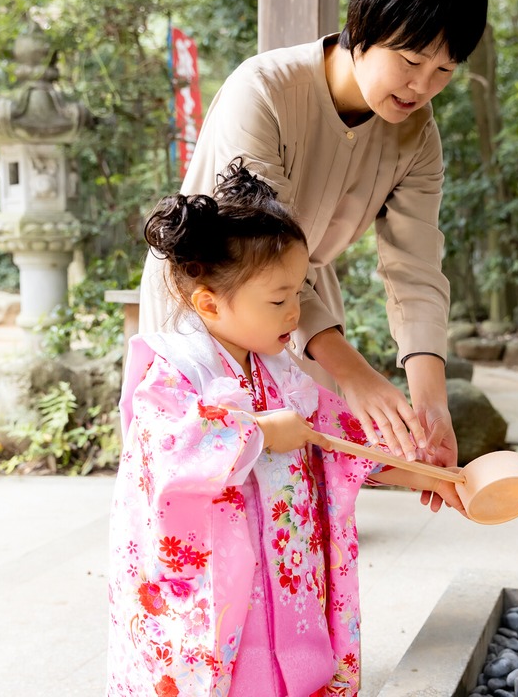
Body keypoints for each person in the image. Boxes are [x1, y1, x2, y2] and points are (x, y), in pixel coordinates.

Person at [139, 0, 489, 484]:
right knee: (206, 505)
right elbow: (252, 253)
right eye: (412, 60)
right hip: (209, 303)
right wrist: (354, 374)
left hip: (295, 313)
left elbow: (415, 269)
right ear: (364, 29)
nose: (423, 87)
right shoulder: (263, 91)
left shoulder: (419, 137)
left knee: (292, 512)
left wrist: (431, 405)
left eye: (445, 70)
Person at [108, 161, 465, 697]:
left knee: (290, 673)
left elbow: (342, 444)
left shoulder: (280, 374)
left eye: (300, 292)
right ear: (209, 303)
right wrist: (256, 433)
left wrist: (422, 475)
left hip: (287, 577)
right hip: (220, 590)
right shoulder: (174, 368)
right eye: (279, 299)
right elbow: (166, 450)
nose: (295, 313)